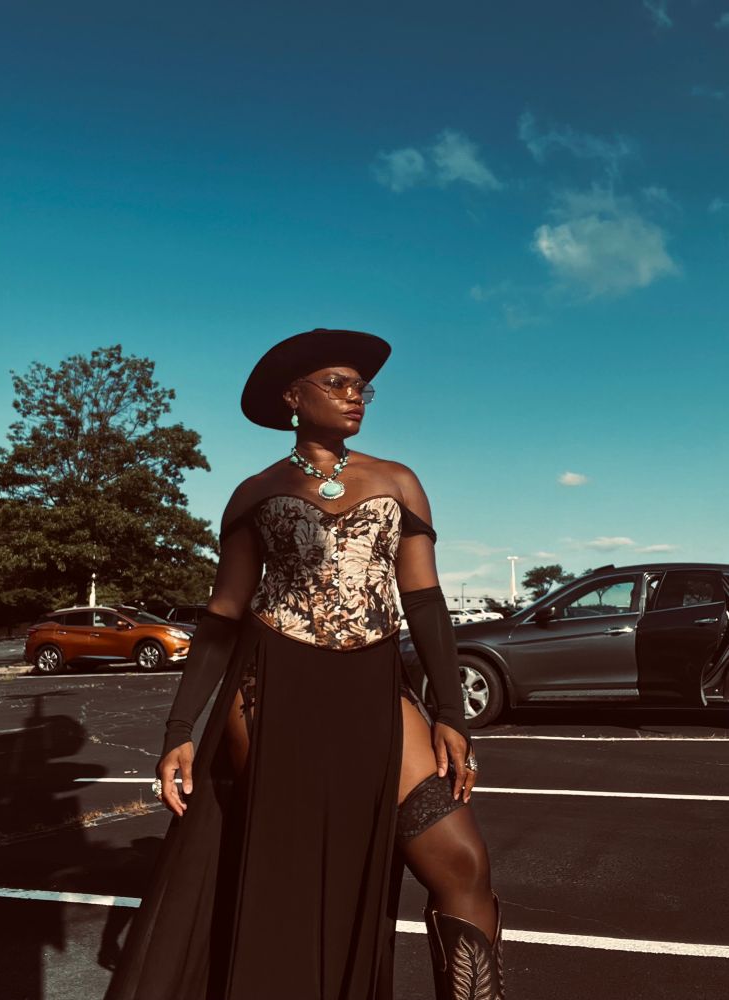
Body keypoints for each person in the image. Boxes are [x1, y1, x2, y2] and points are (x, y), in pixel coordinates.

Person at [104, 328, 504, 1000]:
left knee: (461, 863)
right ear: (293, 397)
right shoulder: (256, 491)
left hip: (375, 686)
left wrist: (448, 713)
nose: (356, 398)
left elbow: (426, 603)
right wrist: (179, 728)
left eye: (362, 387)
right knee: (291, 884)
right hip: (271, 685)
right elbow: (224, 615)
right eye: (338, 384)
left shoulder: (397, 480)